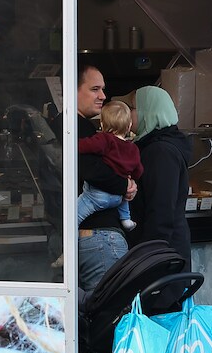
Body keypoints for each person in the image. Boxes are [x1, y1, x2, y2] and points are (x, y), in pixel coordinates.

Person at [73, 64, 134, 292]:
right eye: (95, 89)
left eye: (103, 89)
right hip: (101, 238)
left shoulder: (85, 129)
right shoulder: (76, 129)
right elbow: (93, 170)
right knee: (113, 316)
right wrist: (124, 184)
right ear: (72, 89)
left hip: (95, 236)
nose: (103, 96)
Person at [129, 86, 193, 265]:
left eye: (134, 108)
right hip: (163, 253)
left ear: (148, 112)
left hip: (162, 258)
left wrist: (147, 257)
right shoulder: (159, 146)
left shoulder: (160, 151)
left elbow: (161, 210)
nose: (131, 114)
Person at [76, 99, 138, 231]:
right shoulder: (133, 148)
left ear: (102, 124)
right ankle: (126, 219)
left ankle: (70, 241)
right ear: (129, 126)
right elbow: (138, 169)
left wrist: (73, 143)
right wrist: (132, 180)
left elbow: (87, 146)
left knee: (74, 216)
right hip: (118, 198)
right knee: (124, 200)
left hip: (98, 196)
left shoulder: (105, 139)